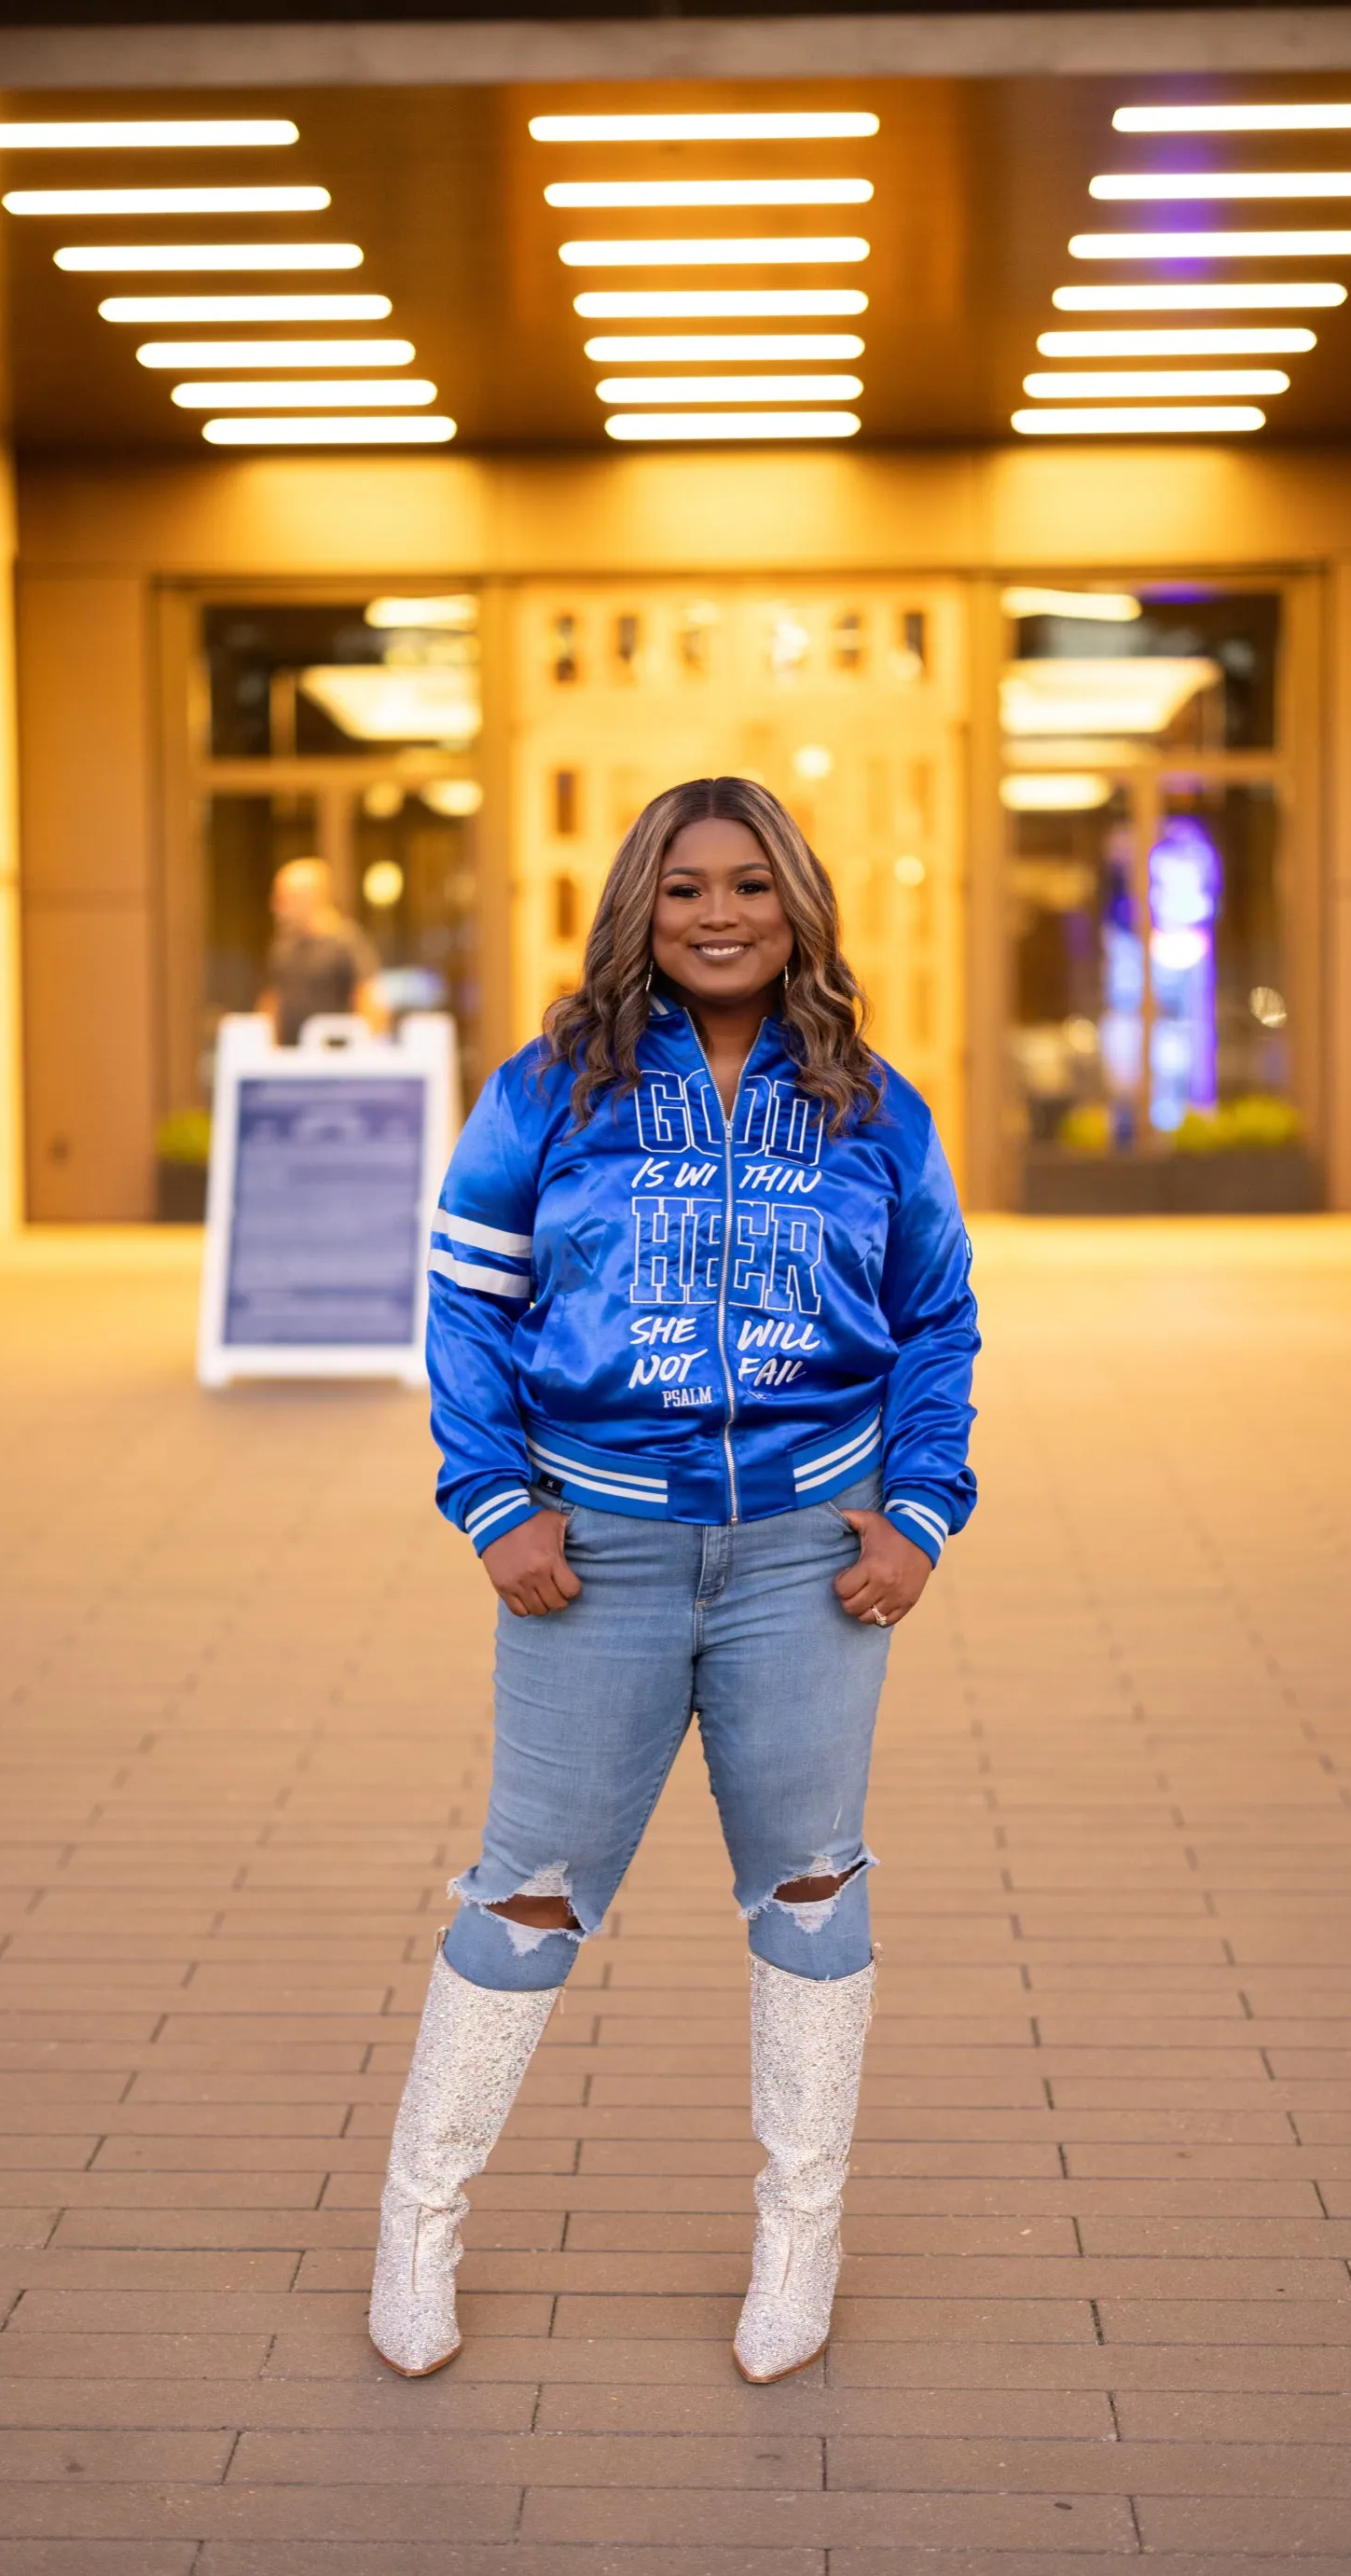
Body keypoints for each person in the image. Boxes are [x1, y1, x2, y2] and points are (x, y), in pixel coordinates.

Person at [370, 775, 978, 2387]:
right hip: (594, 1555)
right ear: (638, 902)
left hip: (807, 1558)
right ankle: (417, 2224)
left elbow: (936, 1323)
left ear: (798, 911)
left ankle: (798, 2246)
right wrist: (493, 1497)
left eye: (752, 889)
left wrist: (917, 1509)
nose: (719, 916)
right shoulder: (546, 1091)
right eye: (686, 888)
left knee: (808, 1887)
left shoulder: (870, 1103)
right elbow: (463, 1309)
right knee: (528, 1892)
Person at [258, 854, 380, 1045]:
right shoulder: (284, 947)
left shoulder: (347, 943)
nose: (276, 908)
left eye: (283, 899)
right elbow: (272, 1003)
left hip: (336, 1063)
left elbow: (368, 1001)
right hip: (290, 1063)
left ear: (308, 898)